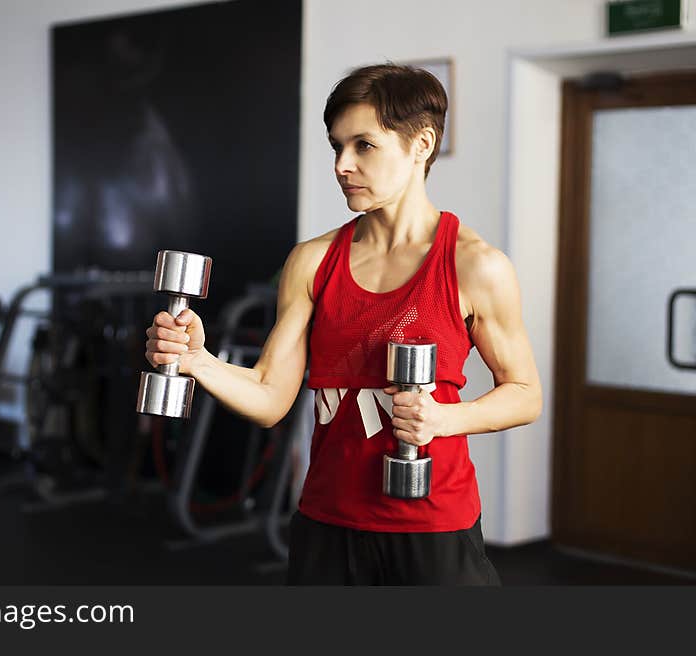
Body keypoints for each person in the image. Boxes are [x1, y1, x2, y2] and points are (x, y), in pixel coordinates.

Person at [145, 63, 542, 585]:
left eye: (363, 145)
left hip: (431, 527)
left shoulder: (474, 266)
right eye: (336, 146)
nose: (342, 165)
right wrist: (195, 360)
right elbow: (270, 397)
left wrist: (445, 420)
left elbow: (525, 393)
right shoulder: (312, 261)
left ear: (421, 144)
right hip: (327, 524)